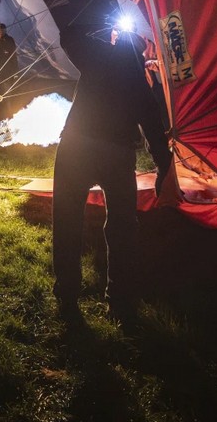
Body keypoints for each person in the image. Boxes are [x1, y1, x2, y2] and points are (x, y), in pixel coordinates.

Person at [52, 22, 172, 327]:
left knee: (67, 221)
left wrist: (95, 26)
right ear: (140, 52)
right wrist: (164, 168)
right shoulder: (138, 82)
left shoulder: (97, 55)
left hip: (77, 147)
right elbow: (155, 130)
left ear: (116, 42)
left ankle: (67, 295)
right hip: (117, 154)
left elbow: (69, 33)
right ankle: (120, 301)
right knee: (122, 227)